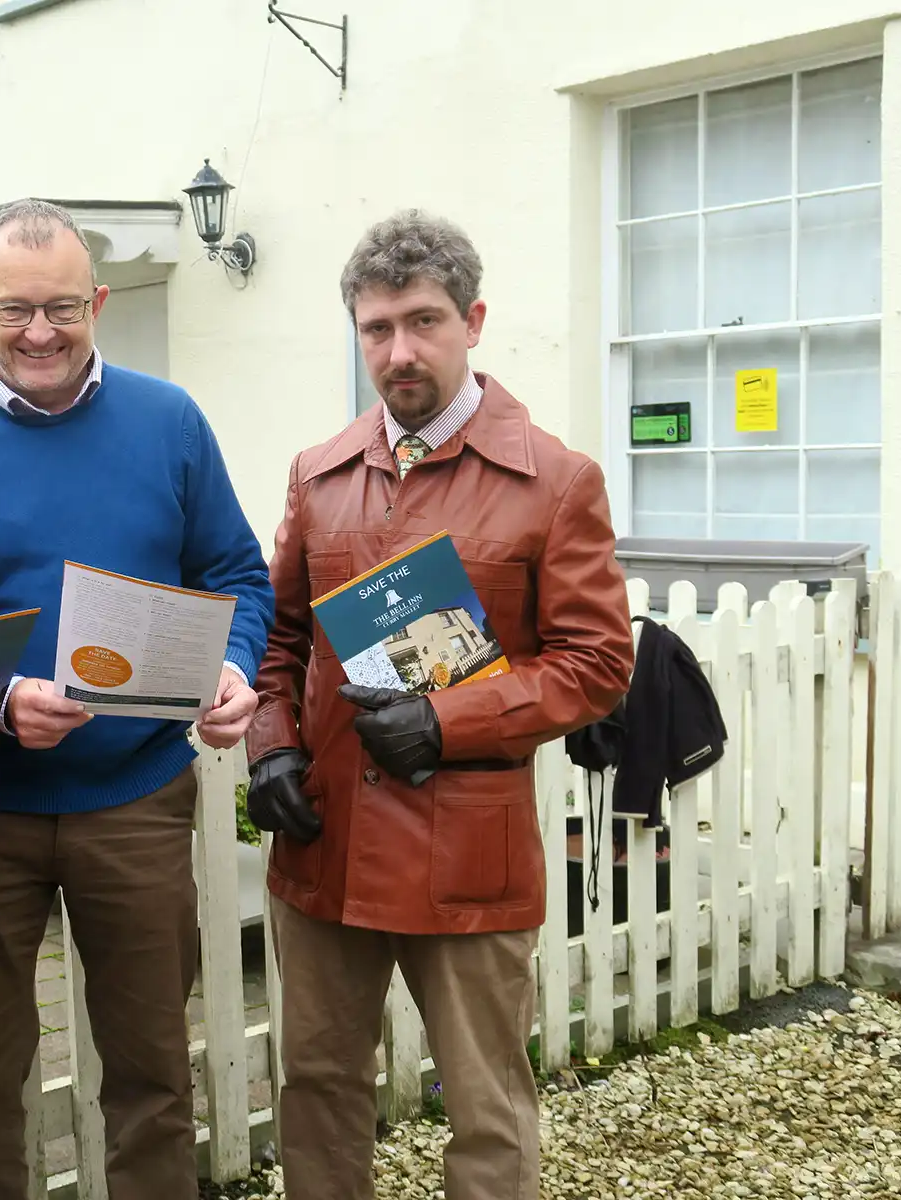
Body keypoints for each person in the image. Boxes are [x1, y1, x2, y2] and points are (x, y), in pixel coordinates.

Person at [0, 198, 276, 1200]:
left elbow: (237, 573)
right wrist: (0, 700)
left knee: (150, 1071)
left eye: (63, 307)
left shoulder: (169, 422)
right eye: (15, 310)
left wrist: (232, 666)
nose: (41, 331)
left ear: (98, 301)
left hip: (137, 800)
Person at [245, 209, 634, 1200]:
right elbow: (282, 639)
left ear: (474, 320)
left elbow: (596, 664)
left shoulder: (556, 482)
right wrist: (271, 747)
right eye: (377, 329)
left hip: (467, 844)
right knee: (321, 1086)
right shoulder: (318, 475)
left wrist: (450, 721)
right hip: (325, 841)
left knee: (488, 1105)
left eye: (423, 322)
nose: (400, 351)